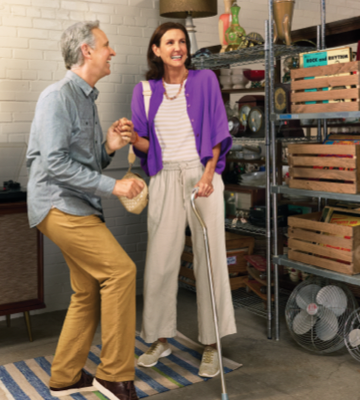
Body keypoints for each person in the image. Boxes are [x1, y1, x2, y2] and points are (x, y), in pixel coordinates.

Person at [26, 21, 144, 400]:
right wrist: (116, 186)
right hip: (58, 205)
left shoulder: (87, 99)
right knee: (121, 272)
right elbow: (56, 164)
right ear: (87, 51)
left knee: (86, 289)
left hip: (74, 204)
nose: (112, 52)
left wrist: (108, 146)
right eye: (106, 46)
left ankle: (64, 376)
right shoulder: (57, 97)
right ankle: (113, 376)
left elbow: (87, 162)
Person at [128, 22, 236, 378]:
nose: (178, 46)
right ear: (156, 50)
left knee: (209, 258)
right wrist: (130, 136)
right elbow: (145, 145)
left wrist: (208, 175)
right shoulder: (144, 91)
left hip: (201, 174)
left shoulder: (205, 80)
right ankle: (161, 338)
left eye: (182, 41)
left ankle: (212, 345)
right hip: (163, 177)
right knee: (160, 261)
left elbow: (218, 129)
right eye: (169, 42)